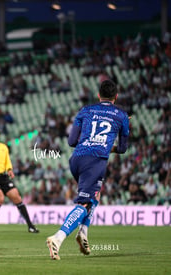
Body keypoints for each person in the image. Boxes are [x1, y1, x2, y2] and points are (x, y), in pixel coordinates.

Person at [46, 79, 130, 260]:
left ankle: (82, 233)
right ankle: (58, 238)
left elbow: (71, 142)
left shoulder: (85, 110)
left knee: (94, 197)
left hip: (76, 159)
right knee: (84, 203)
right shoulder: (121, 115)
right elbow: (123, 149)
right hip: (95, 162)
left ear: (98, 95)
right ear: (116, 96)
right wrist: (109, 144)